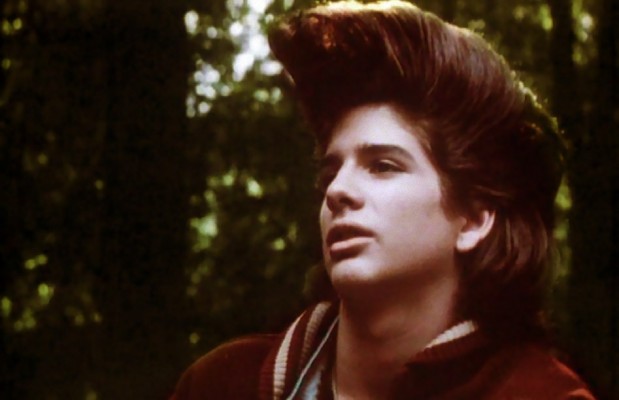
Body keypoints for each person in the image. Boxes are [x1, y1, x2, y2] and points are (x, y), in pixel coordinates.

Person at [171, 1, 595, 398]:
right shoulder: (221, 384)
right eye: (331, 172)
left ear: (474, 219)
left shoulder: (541, 393)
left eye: (383, 166)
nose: (337, 191)